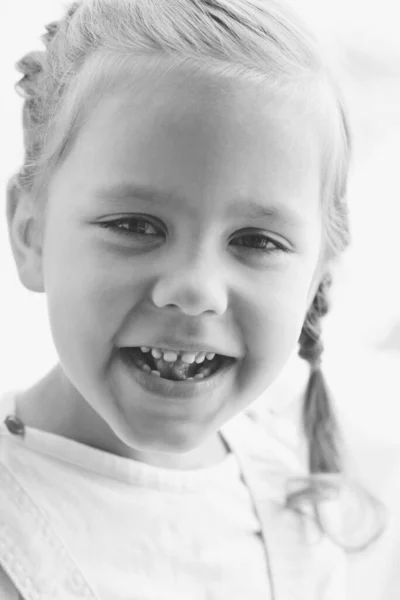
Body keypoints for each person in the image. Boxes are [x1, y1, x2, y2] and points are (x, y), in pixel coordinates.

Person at [0, 0, 384, 598]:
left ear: (315, 279)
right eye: (134, 225)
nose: (195, 291)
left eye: (256, 240)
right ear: (30, 234)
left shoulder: (295, 500)